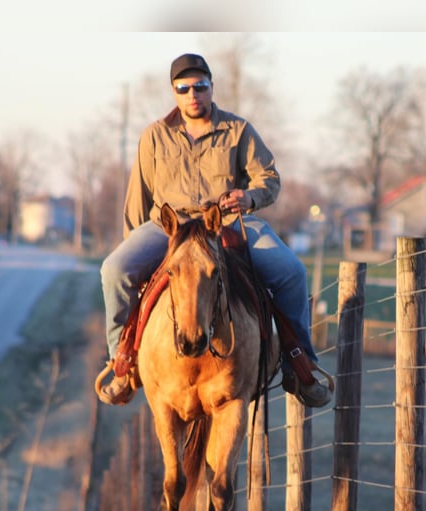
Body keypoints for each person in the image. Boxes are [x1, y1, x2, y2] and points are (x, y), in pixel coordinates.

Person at [96, 53, 332, 408]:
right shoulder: (155, 136)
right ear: (174, 92)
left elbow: (269, 179)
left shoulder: (238, 130)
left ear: (210, 87)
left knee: (291, 272)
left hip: (225, 223)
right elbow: (137, 200)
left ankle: (299, 363)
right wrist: (136, 249)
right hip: (169, 228)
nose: (193, 94)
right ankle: (123, 361)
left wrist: (249, 197)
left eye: (200, 86)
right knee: (113, 269)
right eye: (184, 88)